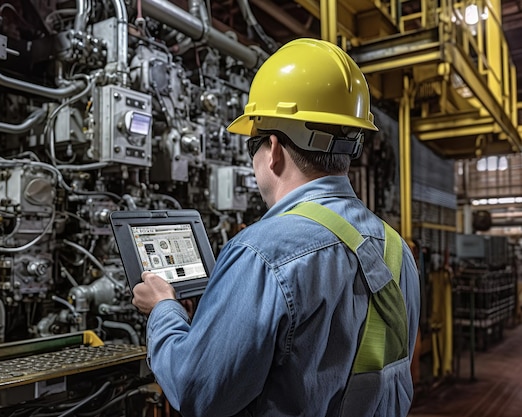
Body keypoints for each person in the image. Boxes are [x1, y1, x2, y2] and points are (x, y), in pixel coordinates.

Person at [132, 38, 420, 417]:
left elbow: (196, 391)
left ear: (274, 149)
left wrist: (163, 310)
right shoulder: (396, 249)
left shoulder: (261, 254)